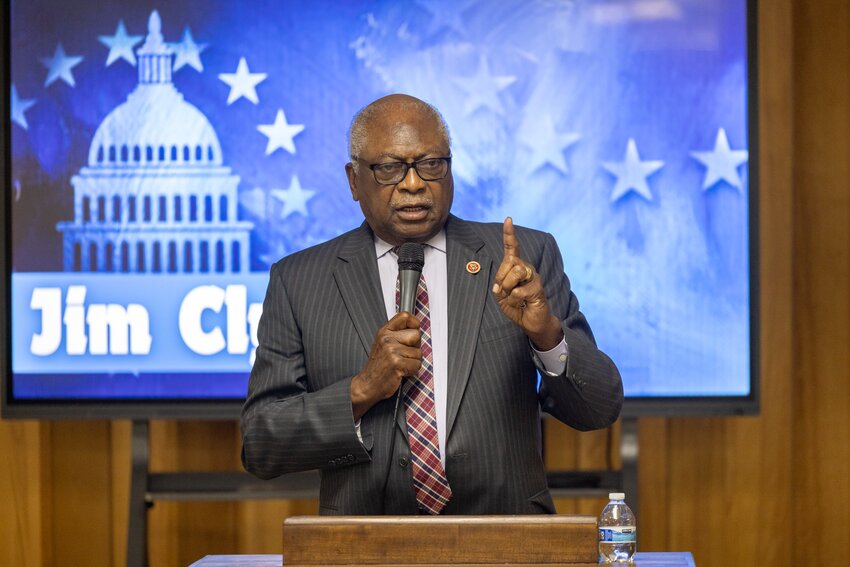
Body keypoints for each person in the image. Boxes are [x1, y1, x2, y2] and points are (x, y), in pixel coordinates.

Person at [241, 94, 622, 515]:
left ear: (451, 169)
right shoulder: (300, 280)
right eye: (389, 168)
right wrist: (361, 390)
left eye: (431, 164)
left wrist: (546, 334)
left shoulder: (523, 259)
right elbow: (261, 444)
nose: (413, 183)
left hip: (504, 546)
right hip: (364, 551)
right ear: (353, 180)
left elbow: (599, 409)